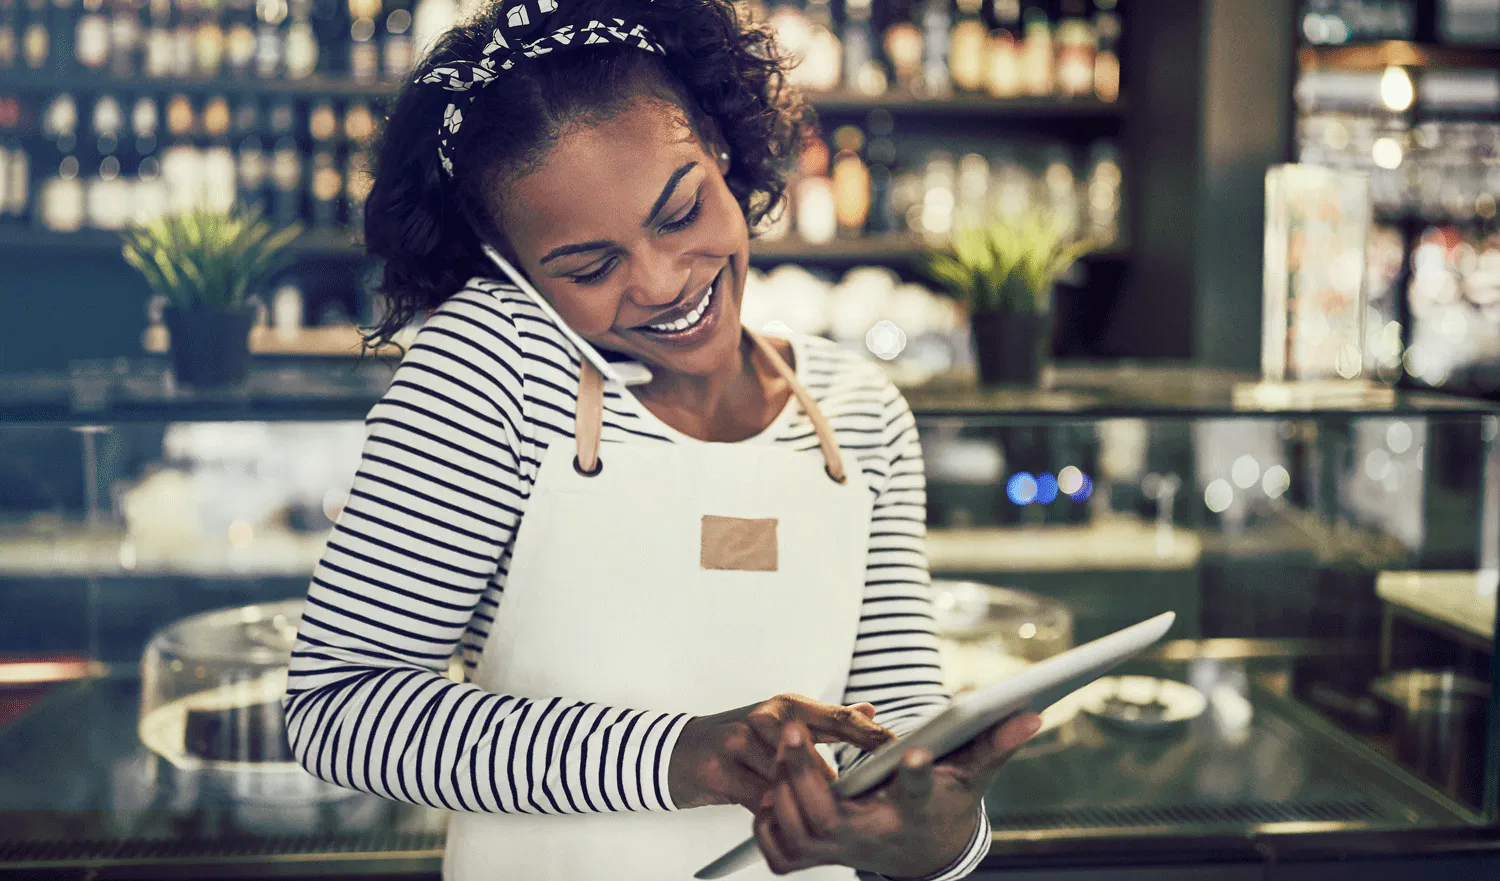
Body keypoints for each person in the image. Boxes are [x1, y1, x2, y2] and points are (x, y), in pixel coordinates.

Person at [282, 1, 1040, 878]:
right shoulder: (495, 366)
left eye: (680, 212)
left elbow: (902, 742)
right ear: (509, 267)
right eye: (589, 266)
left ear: (720, 148)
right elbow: (340, 706)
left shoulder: (859, 410)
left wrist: (938, 834)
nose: (660, 282)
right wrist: (684, 755)